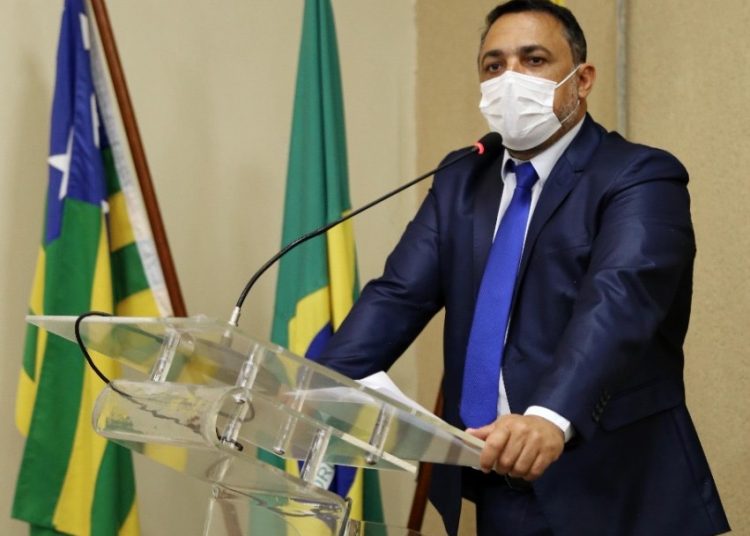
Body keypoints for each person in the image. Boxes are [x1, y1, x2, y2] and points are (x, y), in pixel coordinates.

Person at [317, 1, 730, 534]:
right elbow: (397, 294)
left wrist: (549, 417)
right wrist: (317, 386)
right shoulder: (462, 178)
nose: (510, 78)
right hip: (497, 482)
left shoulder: (639, 176)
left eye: (533, 60)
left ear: (582, 80)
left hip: (618, 489)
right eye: (494, 65)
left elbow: (618, 303)